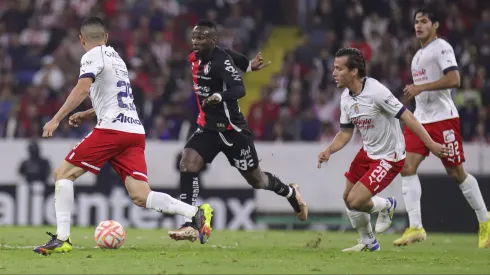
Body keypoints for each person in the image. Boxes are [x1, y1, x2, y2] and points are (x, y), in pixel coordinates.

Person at [33, 17, 213, 255]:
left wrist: (56, 118)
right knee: (141, 194)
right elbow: (115, 97)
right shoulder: (117, 59)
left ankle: (62, 238)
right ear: (106, 37)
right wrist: (88, 113)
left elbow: (82, 88)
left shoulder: (91, 56)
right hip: (134, 131)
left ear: (81, 40)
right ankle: (196, 212)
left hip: (113, 130)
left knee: (63, 174)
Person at [168, 20, 308, 241]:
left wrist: (220, 96)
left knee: (257, 180)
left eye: (201, 38)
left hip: (233, 130)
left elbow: (240, 88)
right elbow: (230, 53)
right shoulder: (197, 57)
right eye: (194, 37)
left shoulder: (220, 63)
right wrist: (249, 65)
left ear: (212, 40)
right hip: (208, 128)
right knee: (188, 162)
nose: (196, 41)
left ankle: (290, 192)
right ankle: (190, 222)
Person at [317, 48, 449, 252]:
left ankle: (387, 205)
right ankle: (368, 242)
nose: (333, 72)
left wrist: (430, 144)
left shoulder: (377, 92)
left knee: (355, 200)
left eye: (338, 68)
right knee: (348, 199)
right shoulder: (346, 97)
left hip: (389, 156)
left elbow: (408, 117)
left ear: (353, 71)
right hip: (368, 152)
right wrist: (329, 150)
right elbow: (345, 133)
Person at [394, 6, 490, 248]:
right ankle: (416, 227)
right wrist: (416, 93)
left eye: (424, 21)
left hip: (443, 120)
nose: (419, 25)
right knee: (406, 167)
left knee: (456, 173)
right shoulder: (417, 55)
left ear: (435, 25)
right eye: (416, 21)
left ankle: (485, 220)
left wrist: (420, 88)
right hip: (421, 119)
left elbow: (454, 79)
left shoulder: (442, 47)